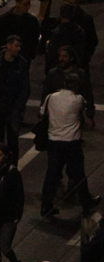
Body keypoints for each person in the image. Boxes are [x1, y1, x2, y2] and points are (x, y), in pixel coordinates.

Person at [39, 71, 99, 217]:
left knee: (52, 174)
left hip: (54, 141)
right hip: (72, 142)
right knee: (78, 174)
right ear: (77, 86)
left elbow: (42, 114)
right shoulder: (78, 100)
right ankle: (86, 202)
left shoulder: (50, 97)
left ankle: (46, 205)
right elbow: (86, 120)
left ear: (64, 84)